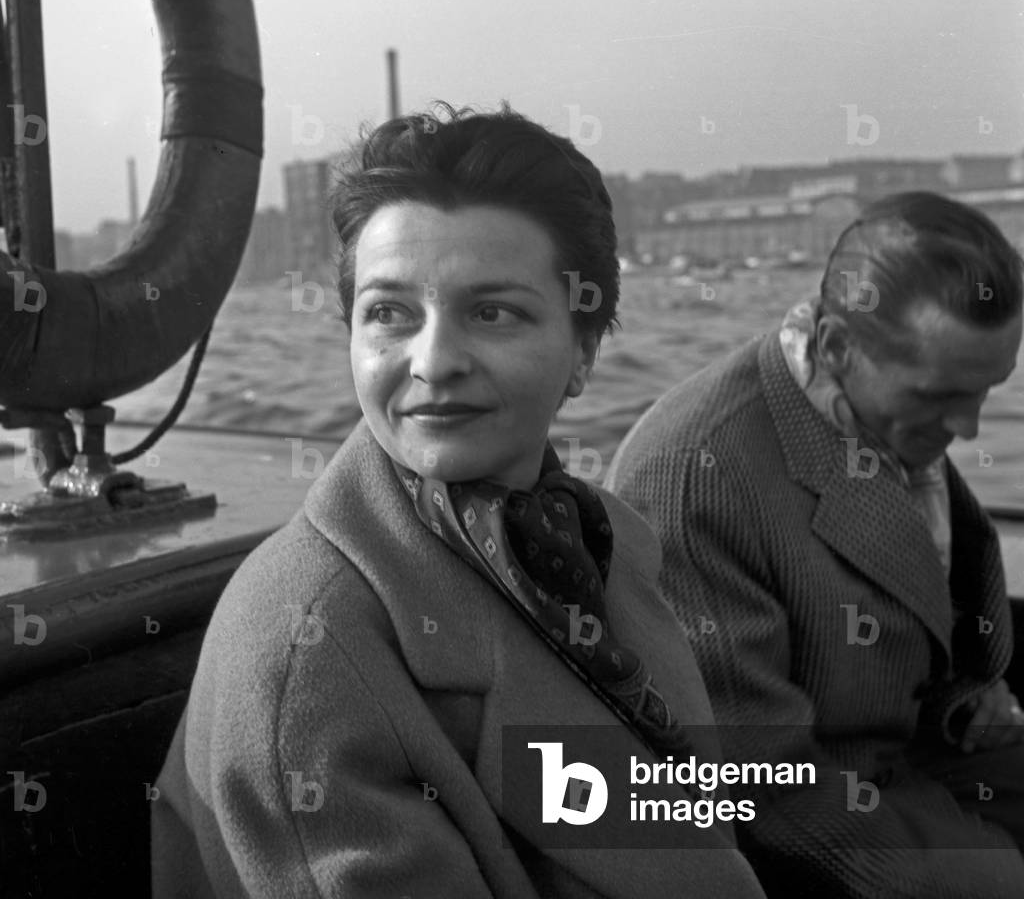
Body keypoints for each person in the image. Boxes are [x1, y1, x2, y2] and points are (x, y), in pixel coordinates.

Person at [150, 103, 766, 898]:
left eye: (492, 312)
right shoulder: (306, 652)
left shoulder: (600, 543)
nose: (433, 361)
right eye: (389, 314)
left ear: (583, 351)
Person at [606, 191, 1024, 898]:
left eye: (989, 391)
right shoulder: (695, 480)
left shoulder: (874, 403)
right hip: (782, 825)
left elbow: (933, 581)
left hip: (912, 752)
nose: (972, 428)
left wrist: (970, 694)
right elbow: (758, 789)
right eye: (944, 396)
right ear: (835, 347)